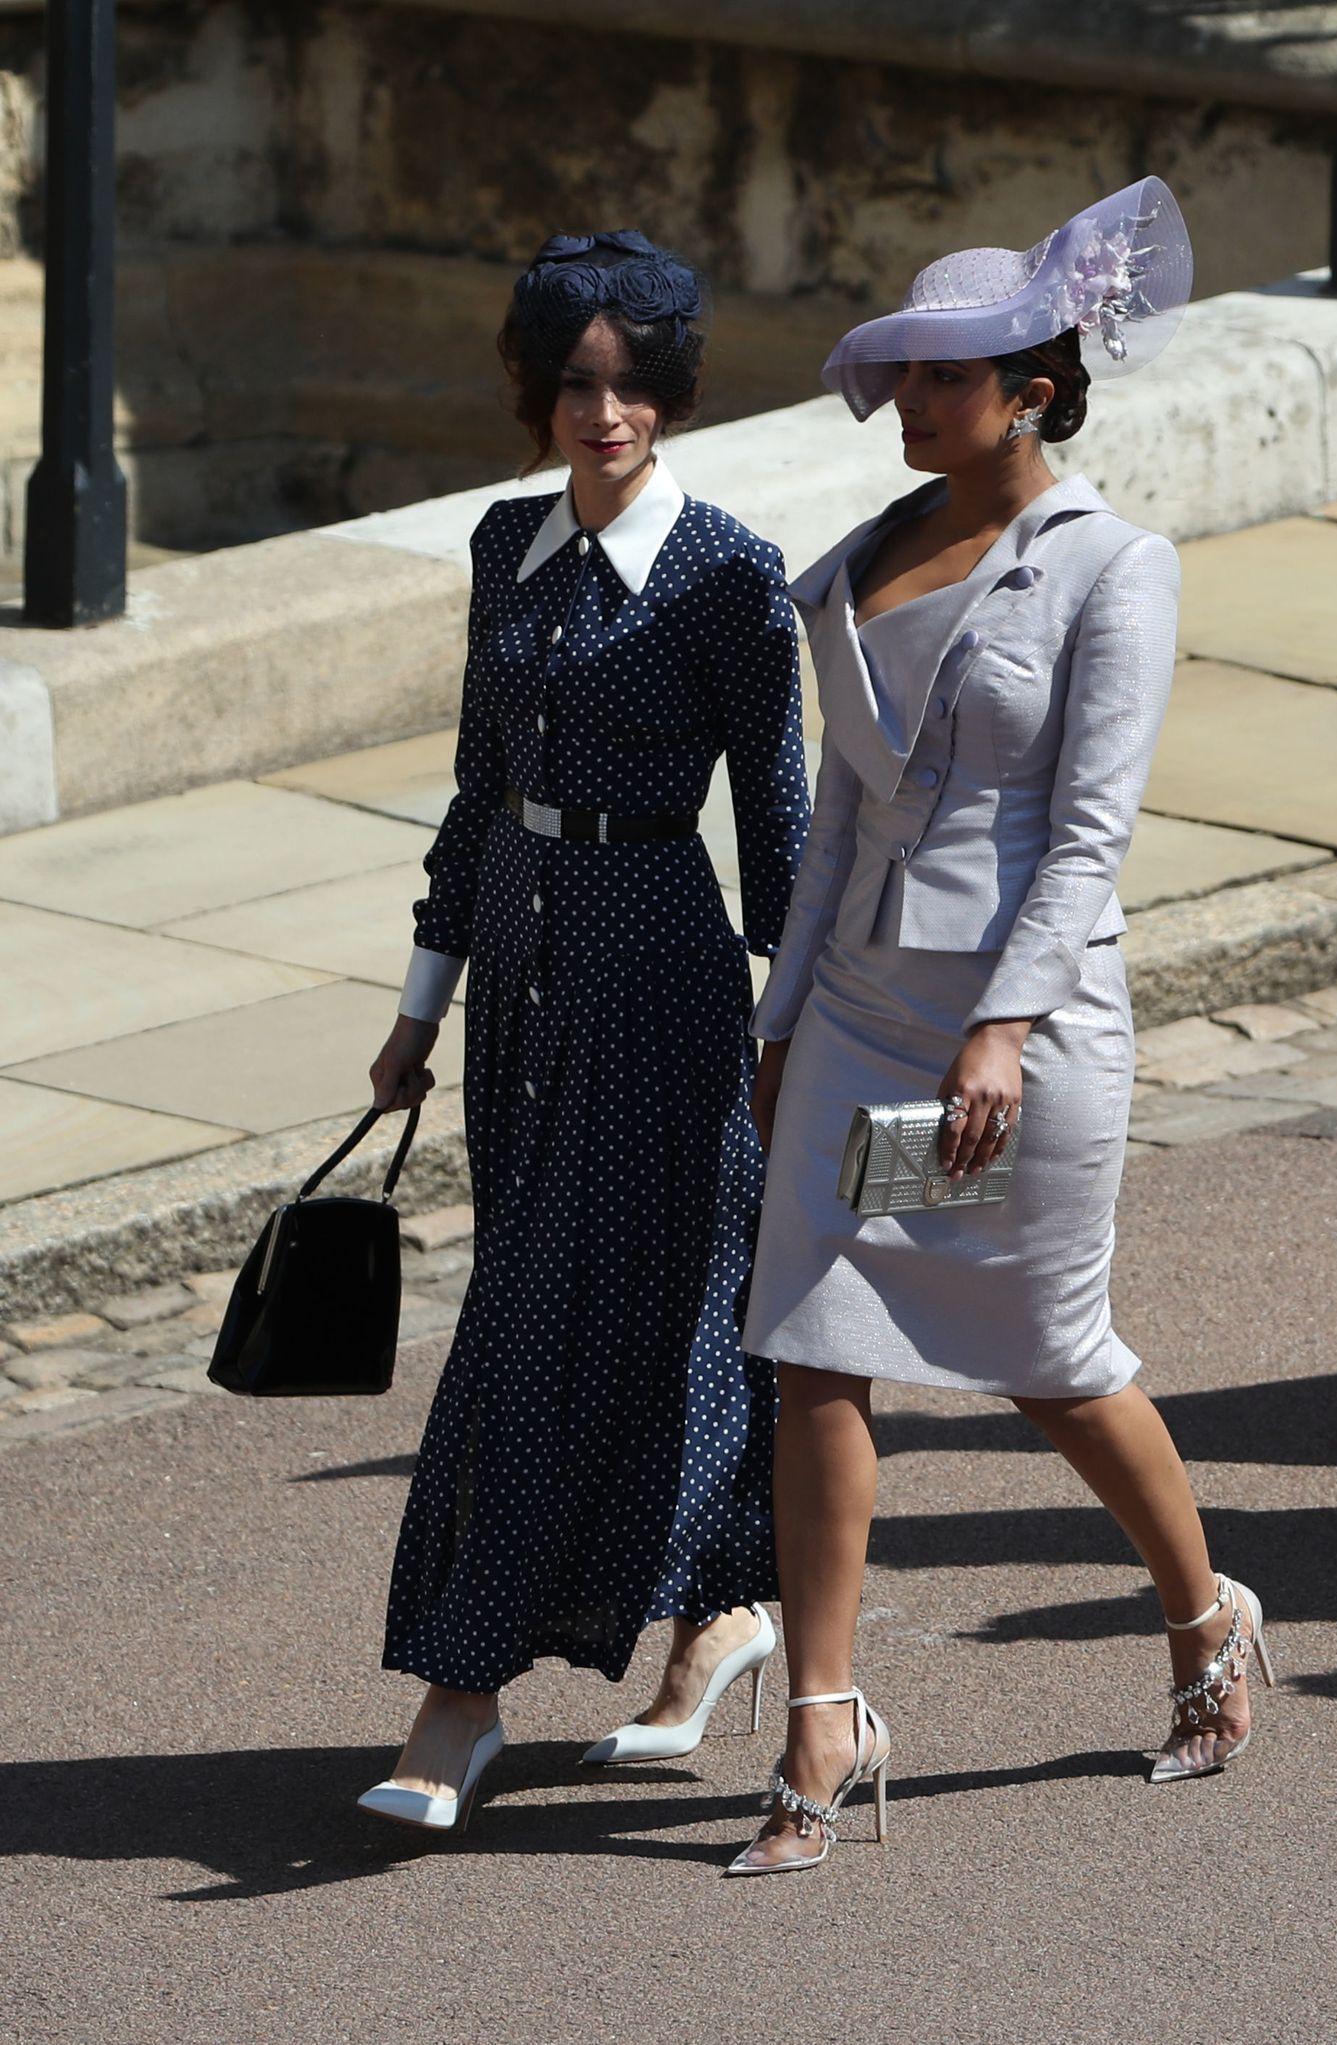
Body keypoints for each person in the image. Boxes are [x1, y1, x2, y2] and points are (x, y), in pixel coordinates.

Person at [727, 179, 1274, 1877]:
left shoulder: (1114, 566)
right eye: (898, 374)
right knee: (812, 1345)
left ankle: (1203, 1616)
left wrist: (1004, 1030)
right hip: (861, 1015)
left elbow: (1089, 832)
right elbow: (832, 819)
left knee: (1048, 1361)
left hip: (1014, 1035)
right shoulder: (859, 565)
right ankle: (823, 1720)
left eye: (939, 376)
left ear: (1031, 385)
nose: (906, 401)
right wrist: (783, 1007)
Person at [357, 230, 810, 1832]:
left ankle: (458, 1690)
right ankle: (721, 1612)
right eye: (570, 380)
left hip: (665, 986)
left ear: (672, 391)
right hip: (519, 986)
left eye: (628, 382)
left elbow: (781, 835)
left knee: (553, 1320)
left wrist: (799, 1039)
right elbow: (478, 792)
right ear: (533, 387)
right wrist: (419, 1004)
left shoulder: (732, 576)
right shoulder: (502, 547)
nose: (599, 410)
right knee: (602, 1311)